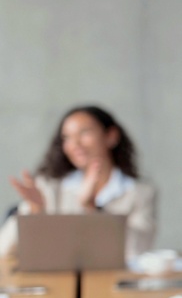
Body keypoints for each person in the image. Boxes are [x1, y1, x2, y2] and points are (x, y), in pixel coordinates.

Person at [0, 105, 155, 258]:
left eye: (84, 132)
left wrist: (92, 210)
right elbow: (4, 248)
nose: (75, 144)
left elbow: (137, 250)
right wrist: (35, 212)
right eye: (67, 138)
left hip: (111, 281)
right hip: (56, 282)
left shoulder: (139, 192)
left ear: (111, 136)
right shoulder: (49, 187)